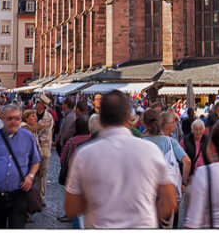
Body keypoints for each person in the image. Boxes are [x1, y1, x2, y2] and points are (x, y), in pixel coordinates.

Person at [64, 89, 176, 228]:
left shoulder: (84, 155)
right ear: (128, 117)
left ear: (99, 120)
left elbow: (71, 208)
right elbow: (170, 201)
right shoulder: (151, 151)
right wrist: (148, 219)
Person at [0, 103, 41, 229]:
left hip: (18, 195)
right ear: (2, 119)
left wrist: (30, 176)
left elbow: (35, 161)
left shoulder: (28, 137)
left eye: (17, 118)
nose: (13, 122)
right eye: (10, 118)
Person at [143, 109, 191, 227]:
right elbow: (187, 161)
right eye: (173, 122)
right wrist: (184, 182)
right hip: (168, 192)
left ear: (144, 124)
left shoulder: (140, 142)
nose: (175, 124)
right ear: (162, 124)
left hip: (148, 192)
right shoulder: (170, 142)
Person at [33, 93, 54, 207]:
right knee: (30, 174)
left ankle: (41, 198)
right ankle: (31, 198)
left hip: (43, 151)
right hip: (32, 151)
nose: (36, 103)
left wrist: (35, 139)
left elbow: (46, 134)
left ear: (43, 105)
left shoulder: (48, 117)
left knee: (42, 175)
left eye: (38, 102)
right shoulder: (32, 115)